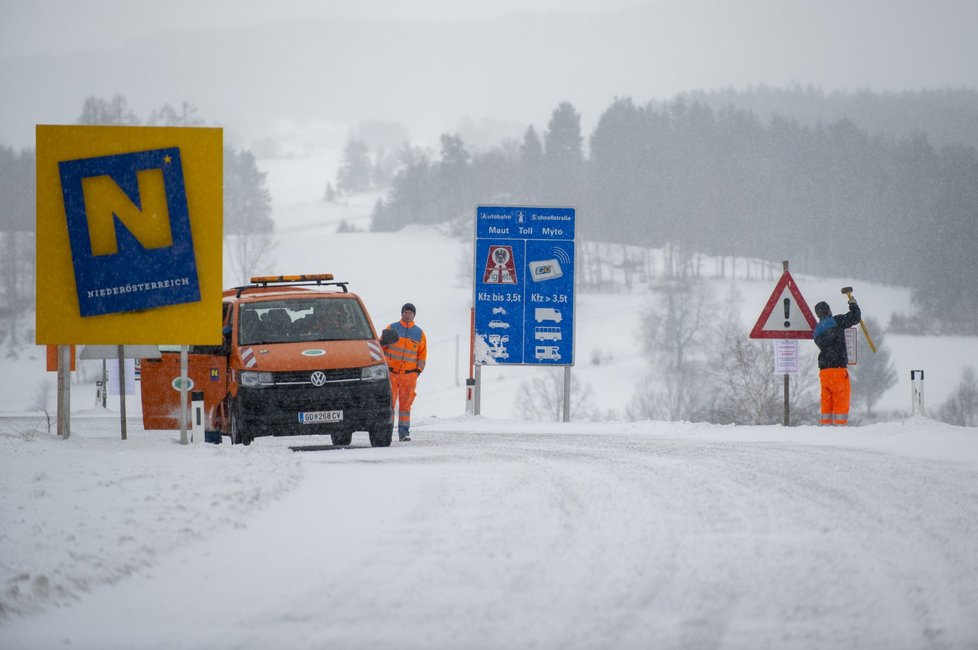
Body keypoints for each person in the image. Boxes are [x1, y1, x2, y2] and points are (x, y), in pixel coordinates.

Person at [812, 297, 861, 426]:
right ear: (828, 311)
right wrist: (852, 303)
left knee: (826, 402)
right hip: (838, 371)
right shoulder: (836, 321)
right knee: (841, 399)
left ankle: (826, 427)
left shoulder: (816, 331)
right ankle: (840, 428)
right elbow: (855, 317)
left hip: (824, 372)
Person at [382, 303, 427, 442]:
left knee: (405, 406)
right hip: (391, 374)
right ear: (401, 313)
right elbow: (381, 347)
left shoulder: (419, 333)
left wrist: (416, 372)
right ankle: (386, 433)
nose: (408, 315)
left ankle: (404, 433)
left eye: (410, 313)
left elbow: (422, 355)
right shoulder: (392, 328)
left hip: (409, 376)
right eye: (405, 312)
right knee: (389, 404)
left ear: (414, 315)